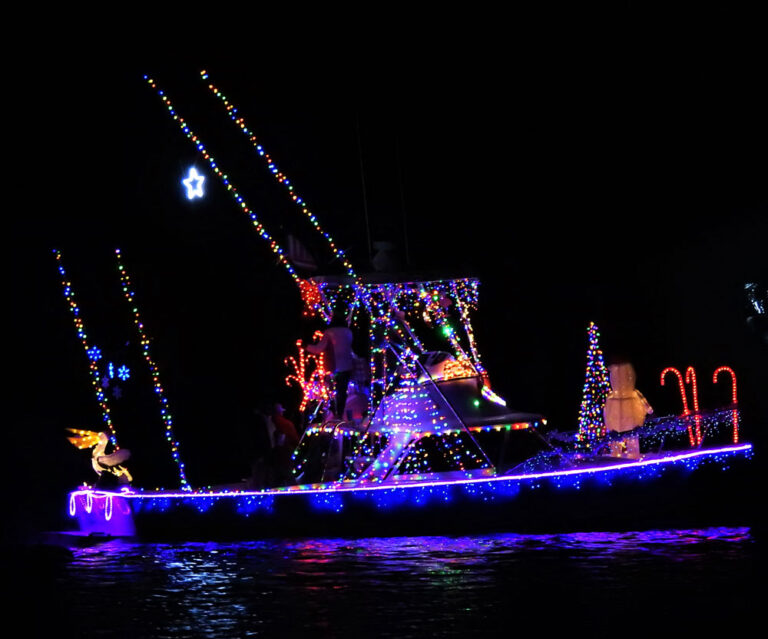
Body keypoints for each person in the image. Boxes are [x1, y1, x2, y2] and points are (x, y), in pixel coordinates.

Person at [307, 310, 355, 419]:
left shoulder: (329, 332)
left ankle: (333, 414)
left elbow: (319, 348)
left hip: (332, 366)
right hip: (347, 365)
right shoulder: (348, 332)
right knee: (342, 391)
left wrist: (306, 346)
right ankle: (340, 415)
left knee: (331, 391)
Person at [603, 361, 653, 459]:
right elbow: (606, 409)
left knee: (631, 438)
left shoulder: (633, 393)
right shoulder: (611, 396)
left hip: (631, 420)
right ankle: (616, 456)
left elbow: (644, 402)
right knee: (616, 440)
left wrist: (649, 410)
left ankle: (632, 455)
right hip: (616, 422)